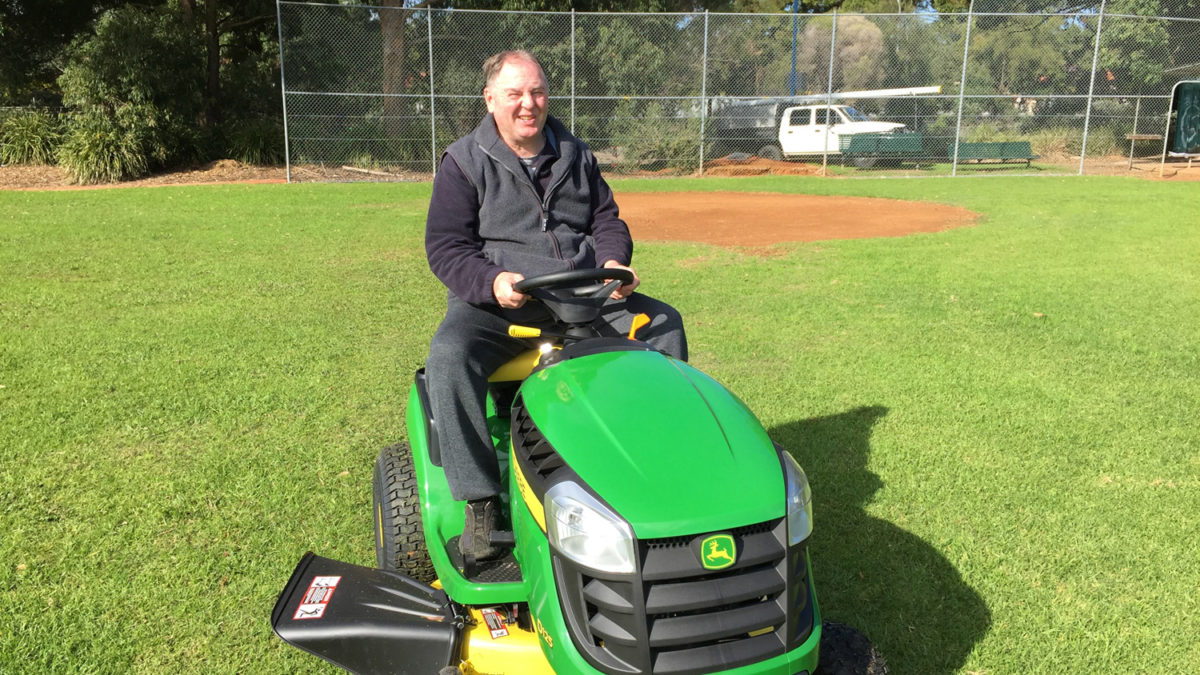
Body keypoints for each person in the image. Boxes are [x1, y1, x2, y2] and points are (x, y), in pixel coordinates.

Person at [424, 50, 688, 562]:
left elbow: (606, 220)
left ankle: (657, 467)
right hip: (503, 304)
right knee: (449, 356)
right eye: (515, 94)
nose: (529, 104)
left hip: (583, 294)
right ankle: (480, 501)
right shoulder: (462, 162)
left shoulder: (575, 153)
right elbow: (446, 248)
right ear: (490, 99)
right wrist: (493, 281)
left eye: (538, 92)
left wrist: (614, 263)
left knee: (662, 324)